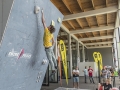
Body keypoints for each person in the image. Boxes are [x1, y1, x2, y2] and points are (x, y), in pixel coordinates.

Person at [41, 9, 57, 73]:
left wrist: (42, 13)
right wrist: (52, 46)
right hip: (50, 47)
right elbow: (54, 41)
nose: (48, 26)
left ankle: (53, 69)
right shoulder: (51, 34)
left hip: (48, 48)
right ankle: (55, 65)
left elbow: (43, 22)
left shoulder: (47, 31)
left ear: (49, 28)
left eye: (49, 26)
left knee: (50, 59)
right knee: (53, 57)